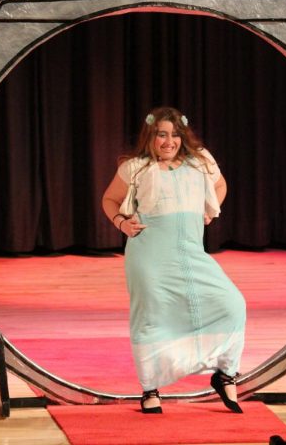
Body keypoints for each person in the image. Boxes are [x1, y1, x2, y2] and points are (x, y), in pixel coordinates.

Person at [101, 106, 246, 414]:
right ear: (150, 137)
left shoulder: (200, 161)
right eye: (161, 135)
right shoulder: (136, 167)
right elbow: (109, 199)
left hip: (191, 253)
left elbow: (220, 186)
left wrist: (211, 209)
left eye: (175, 135)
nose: (169, 142)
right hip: (149, 256)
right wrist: (122, 223)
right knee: (152, 318)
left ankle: (225, 373)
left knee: (233, 304)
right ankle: (150, 389)